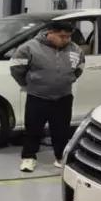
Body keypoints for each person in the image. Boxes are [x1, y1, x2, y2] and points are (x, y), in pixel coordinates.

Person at [10, 21, 85, 173]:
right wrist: (28, 84)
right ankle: (29, 157)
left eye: (68, 36)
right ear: (49, 33)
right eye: (62, 36)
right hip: (37, 97)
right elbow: (16, 68)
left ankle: (60, 156)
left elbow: (80, 67)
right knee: (33, 129)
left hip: (63, 97)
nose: (66, 40)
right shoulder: (29, 48)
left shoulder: (75, 49)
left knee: (61, 130)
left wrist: (69, 79)